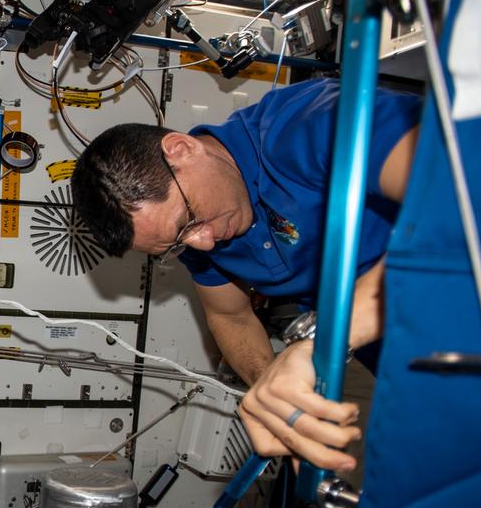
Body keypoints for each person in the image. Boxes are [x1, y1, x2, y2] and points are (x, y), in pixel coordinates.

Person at [71, 78, 421, 471]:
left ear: (182, 149)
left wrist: (319, 342)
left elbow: (458, 193)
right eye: (176, 245)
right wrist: (271, 383)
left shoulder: (303, 126)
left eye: (188, 220)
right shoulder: (206, 235)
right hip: (400, 358)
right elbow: (229, 315)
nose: (202, 243)